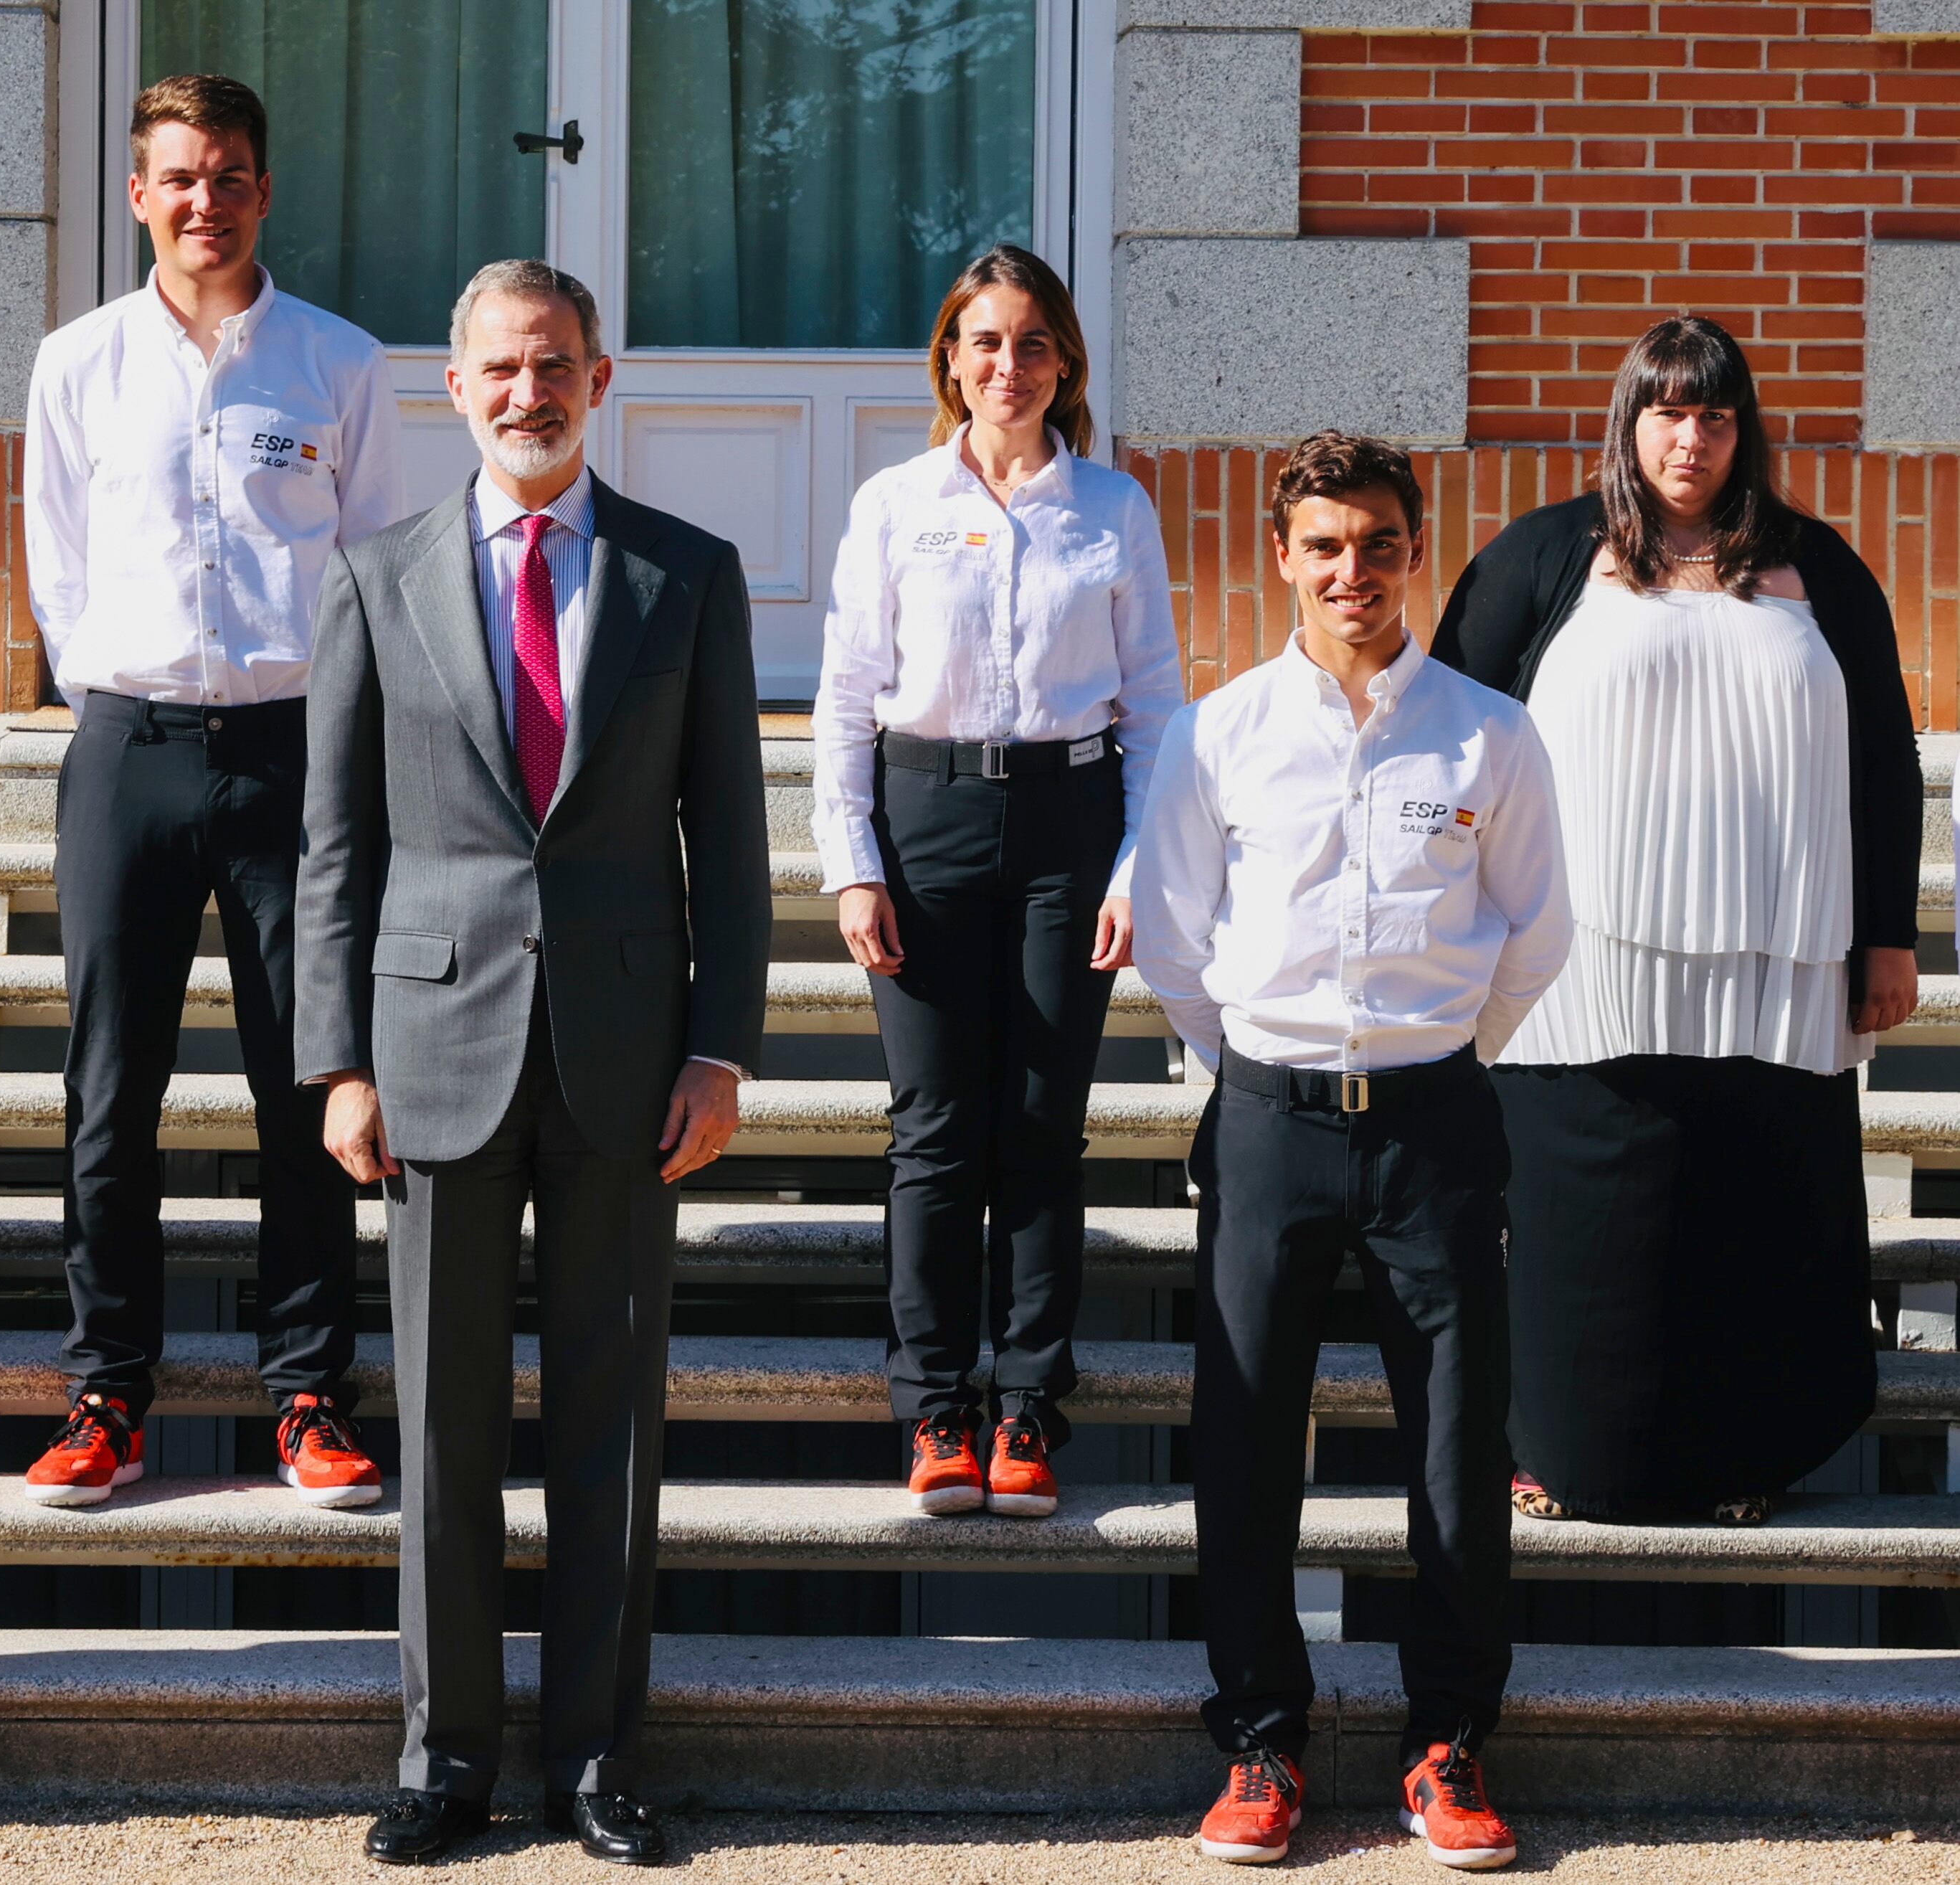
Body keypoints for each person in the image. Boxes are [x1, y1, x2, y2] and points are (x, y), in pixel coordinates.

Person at [298, 259, 770, 1869]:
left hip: (630, 1061)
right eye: (500, 367)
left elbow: (733, 837)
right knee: (440, 1437)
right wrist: (334, 1064)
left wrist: (721, 1047)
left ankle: (599, 1764)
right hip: (431, 1049)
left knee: (608, 1432)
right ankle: (446, 1761)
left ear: (599, 377)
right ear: (455, 386)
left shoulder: (686, 574)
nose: (528, 391)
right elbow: (334, 849)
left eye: (554, 363)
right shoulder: (377, 575)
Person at [1132, 433, 1569, 1871]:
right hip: (1268, 1123)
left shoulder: (1487, 736)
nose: (1353, 572)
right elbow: (1183, 943)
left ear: (1413, 551)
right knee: (1248, 1444)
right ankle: (1262, 1743)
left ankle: (1449, 1744)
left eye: (1379, 544)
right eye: (1325, 546)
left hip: (1435, 1127)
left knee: (1455, 1448)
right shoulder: (1219, 732)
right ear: (1284, 559)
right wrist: (1261, 1063)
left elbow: (1535, 931)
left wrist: (1440, 1056)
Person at [1432, 316, 1923, 1526]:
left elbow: (1883, 759)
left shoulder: (1819, 566)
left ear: (1741, 428)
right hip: (1579, 969)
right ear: (1627, 422)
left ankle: (1744, 1459)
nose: (1689, 438)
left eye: (1712, 414)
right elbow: (1449, 737)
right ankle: (1554, 1451)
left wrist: (1887, 935)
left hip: (1777, 962)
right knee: (1575, 1229)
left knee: (1751, 1221)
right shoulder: (1545, 556)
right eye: (1666, 411)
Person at [19, 72, 403, 1510]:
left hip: (293, 755)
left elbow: (372, 578)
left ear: (261, 189)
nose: (204, 200)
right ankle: (105, 1389)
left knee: (308, 1078)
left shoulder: (340, 366)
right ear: (138, 195)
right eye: (177, 177)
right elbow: (58, 565)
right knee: (109, 1088)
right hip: (131, 749)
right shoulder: (77, 364)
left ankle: (308, 1390)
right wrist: (112, 691)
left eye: (229, 174)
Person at [813, 242, 1180, 1519]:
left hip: (1068, 826)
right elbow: (846, 698)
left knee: (1037, 1126)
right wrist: (852, 868)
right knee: (932, 1133)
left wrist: (1137, 866)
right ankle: (933, 1415)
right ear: (949, 360)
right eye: (983, 341)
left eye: (1031, 343)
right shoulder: (892, 504)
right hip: (925, 820)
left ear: (1064, 360)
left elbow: (1157, 712)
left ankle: (1026, 1404)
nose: (1007, 366)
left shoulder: (1113, 509)